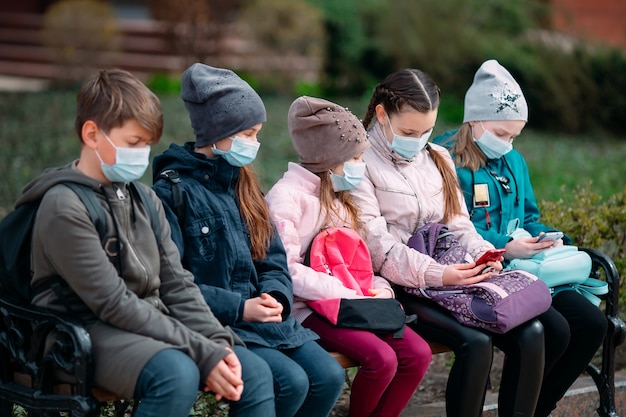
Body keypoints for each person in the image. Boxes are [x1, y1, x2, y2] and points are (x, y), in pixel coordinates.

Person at [23, 68, 275, 417]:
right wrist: (202, 351)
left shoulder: (144, 199)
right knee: (176, 374)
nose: (142, 154)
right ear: (92, 134)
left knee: (253, 371)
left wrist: (219, 343)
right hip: (79, 332)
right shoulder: (64, 206)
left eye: (146, 144)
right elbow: (113, 303)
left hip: (147, 322)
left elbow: (178, 284)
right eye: (132, 143)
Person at [349, 67, 562, 417]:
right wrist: (441, 275)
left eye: (426, 130)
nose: (418, 140)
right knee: (476, 344)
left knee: (533, 332)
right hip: (400, 283)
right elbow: (379, 249)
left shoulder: (437, 157)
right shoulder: (360, 164)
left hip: (453, 273)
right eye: (408, 131)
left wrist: (484, 254)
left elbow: (459, 224)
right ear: (382, 114)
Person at [152, 64, 345, 417]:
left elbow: (273, 258)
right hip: (221, 322)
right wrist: (241, 307)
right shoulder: (172, 194)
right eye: (249, 134)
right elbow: (173, 282)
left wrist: (275, 296)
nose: (255, 144)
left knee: (329, 376)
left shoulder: (244, 185)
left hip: (266, 318)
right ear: (217, 131)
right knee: (290, 382)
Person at [433, 59, 608, 417]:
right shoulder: (445, 157)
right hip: (482, 271)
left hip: (527, 268)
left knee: (592, 325)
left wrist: (547, 238)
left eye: (514, 136)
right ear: (475, 120)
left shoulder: (514, 161)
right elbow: (447, 227)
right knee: (551, 331)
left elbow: (528, 215)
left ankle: (537, 408)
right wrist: (504, 244)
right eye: (501, 133)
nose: (508, 144)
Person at [265, 96, 432, 417]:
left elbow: (359, 263)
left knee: (417, 353)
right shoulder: (287, 198)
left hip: (354, 305)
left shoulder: (341, 199)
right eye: (356, 157)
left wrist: (379, 288)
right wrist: (344, 292)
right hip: (309, 308)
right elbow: (285, 270)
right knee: (380, 359)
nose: (361, 165)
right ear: (328, 157)